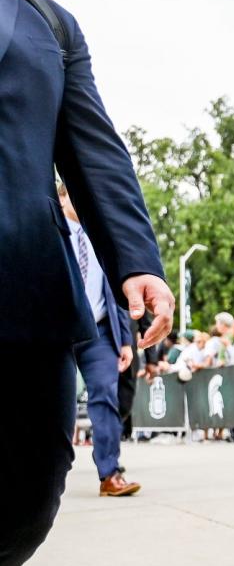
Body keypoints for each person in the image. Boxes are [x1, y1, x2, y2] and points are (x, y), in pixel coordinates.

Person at [0, 0, 172, 566]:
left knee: (32, 487)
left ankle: (106, 464)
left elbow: (94, 149)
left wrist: (139, 263)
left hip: (24, 293)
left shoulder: (47, 21)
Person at [59, 185, 141, 496]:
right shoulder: (50, 227)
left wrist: (124, 342)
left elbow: (117, 291)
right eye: (70, 195)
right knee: (55, 402)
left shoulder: (102, 236)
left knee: (106, 396)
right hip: (58, 329)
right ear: (62, 198)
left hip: (100, 331)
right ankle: (46, 474)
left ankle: (110, 473)